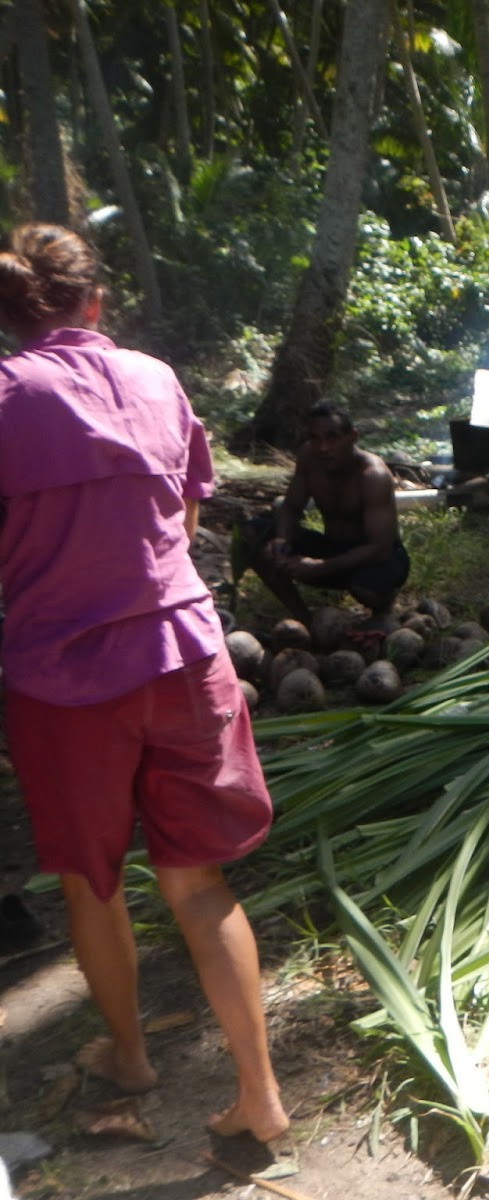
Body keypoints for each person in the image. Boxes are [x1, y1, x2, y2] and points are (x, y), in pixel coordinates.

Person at [0, 223, 288, 1143]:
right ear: (96, 303)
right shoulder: (156, 378)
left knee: (93, 884)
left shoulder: (5, 397)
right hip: (185, 659)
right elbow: (185, 515)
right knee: (199, 888)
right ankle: (261, 1098)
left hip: (63, 677)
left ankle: (129, 1056)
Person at [239, 403, 409, 631]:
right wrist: (282, 540)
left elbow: (381, 549)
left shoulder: (372, 476)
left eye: (332, 438)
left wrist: (320, 567)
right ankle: (303, 618)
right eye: (315, 438)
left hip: (373, 557)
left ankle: (383, 608)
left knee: (367, 588)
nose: (324, 447)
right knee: (253, 533)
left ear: (352, 437)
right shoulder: (309, 457)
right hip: (331, 548)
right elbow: (291, 507)